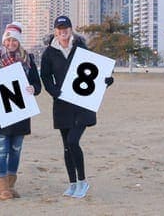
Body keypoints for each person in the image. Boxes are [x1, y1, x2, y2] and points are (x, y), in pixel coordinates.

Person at [40, 15, 113, 199]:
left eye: (66, 28)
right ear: (55, 31)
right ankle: (72, 184)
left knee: (73, 141)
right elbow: (46, 77)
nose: (63, 32)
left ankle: (82, 181)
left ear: (71, 30)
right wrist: (54, 92)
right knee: (66, 147)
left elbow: (93, 71)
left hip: (82, 104)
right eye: (59, 29)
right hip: (62, 104)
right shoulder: (49, 53)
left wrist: (106, 81)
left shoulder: (80, 47)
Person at [0, 22, 42, 200]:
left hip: (20, 113)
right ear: (4, 41)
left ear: (19, 42)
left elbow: (37, 84)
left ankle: (10, 184)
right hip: (0, 113)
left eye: (14, 40)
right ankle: (2, 188)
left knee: (16, 149)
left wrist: (33, 89)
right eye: (8, 40)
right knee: (2, 150)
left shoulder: (28, 60)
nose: (11, 43)